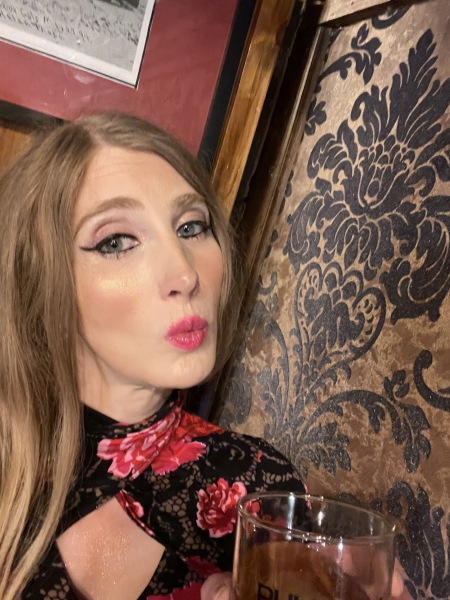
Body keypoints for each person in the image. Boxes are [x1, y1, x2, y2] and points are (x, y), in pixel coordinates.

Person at [0, 113, 409, 600]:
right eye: (115, 241)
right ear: (36, 281)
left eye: (192, 227)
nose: (186, 273)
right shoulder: (10, 457)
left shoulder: (250, 487)